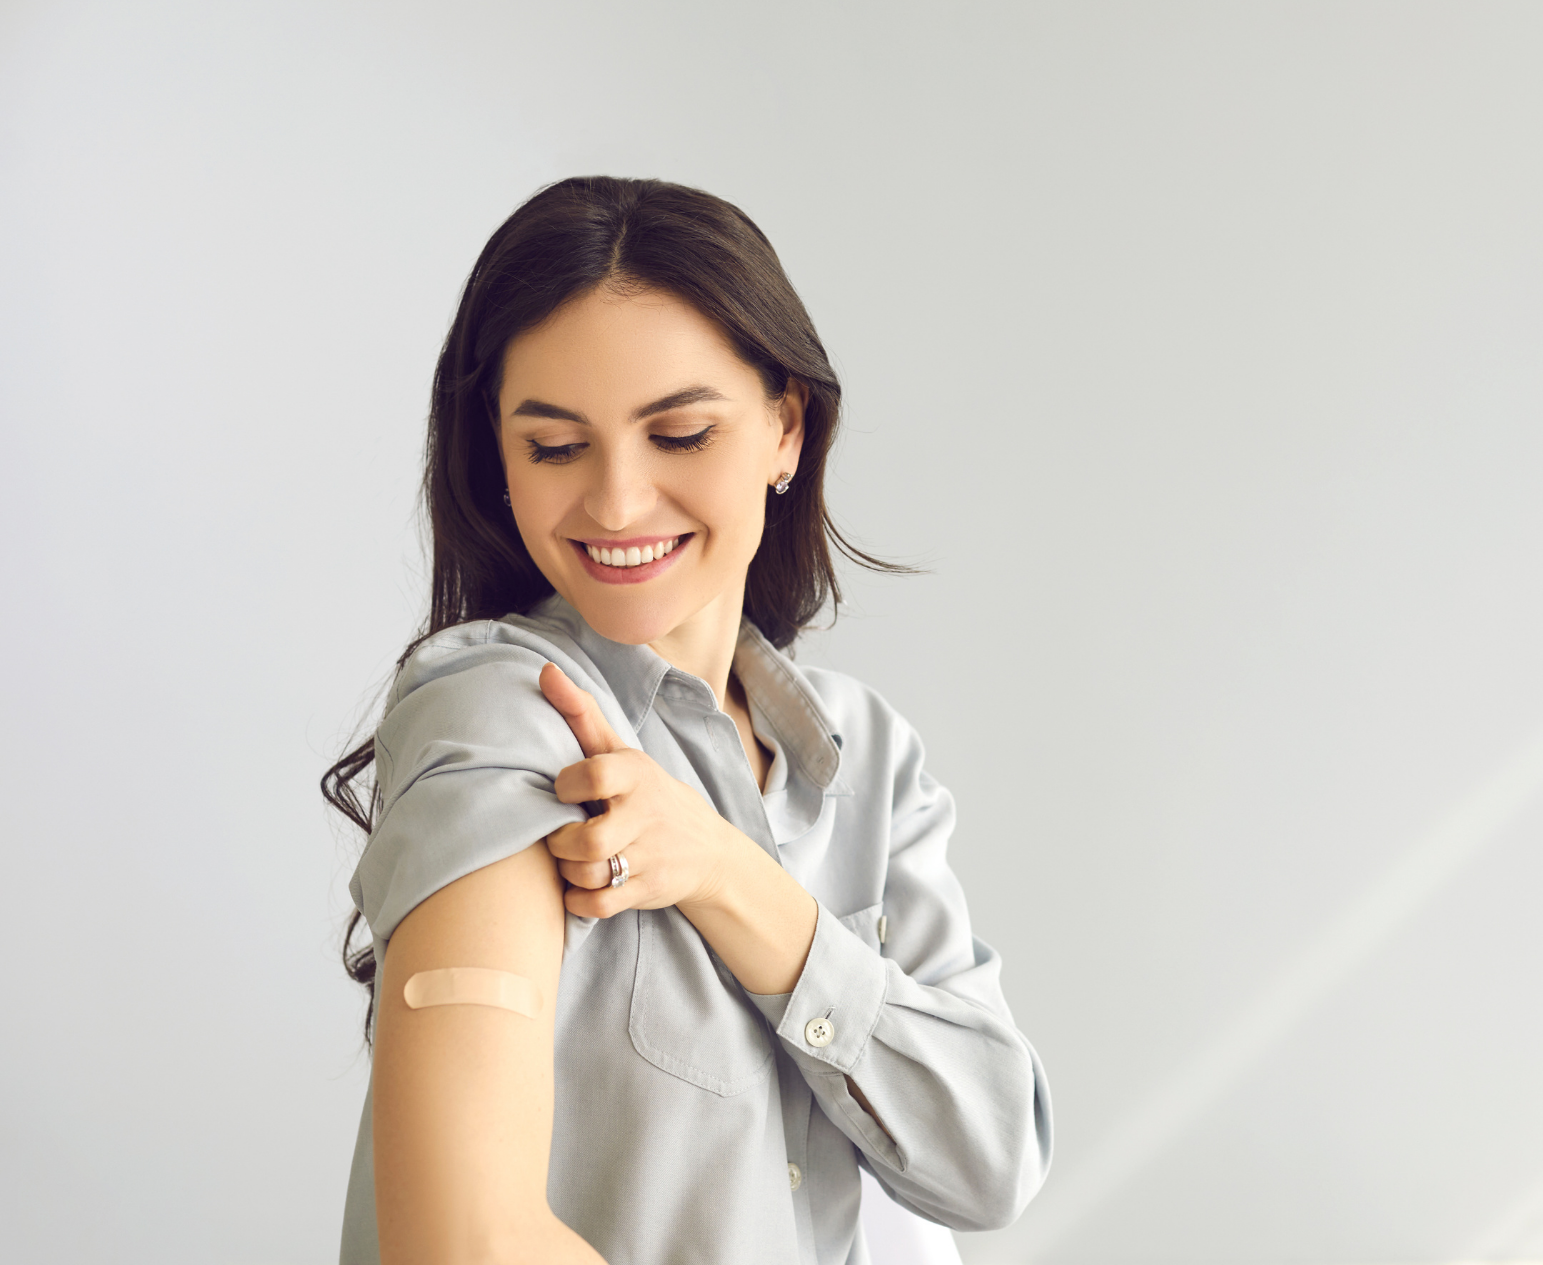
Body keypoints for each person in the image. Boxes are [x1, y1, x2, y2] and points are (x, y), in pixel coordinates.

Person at [321, 176, 1052, 1264]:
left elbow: (989, 1161)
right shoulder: (511, 714)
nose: (616, 502)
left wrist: (725, 873)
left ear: (784, 431)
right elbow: (466, 1243)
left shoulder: (866, 759)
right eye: (556, 447)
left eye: (681, 433)